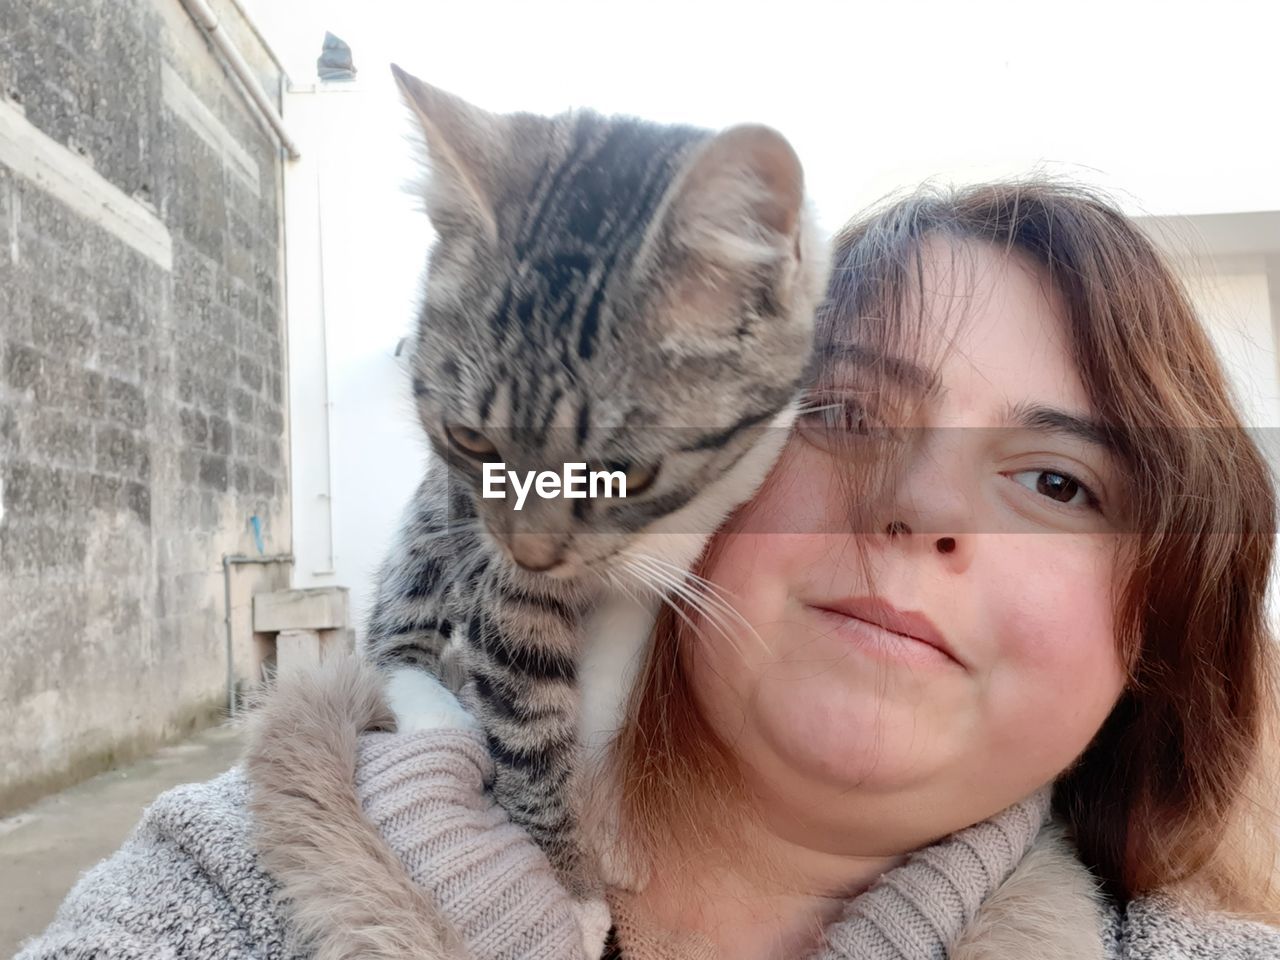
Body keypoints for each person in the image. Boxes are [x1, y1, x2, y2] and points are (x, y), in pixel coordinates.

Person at [18, 181, 1280, 960]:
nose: (919, 510)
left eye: (1057, 484)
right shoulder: (231, 878)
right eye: (844, 415)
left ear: (1153, 641)